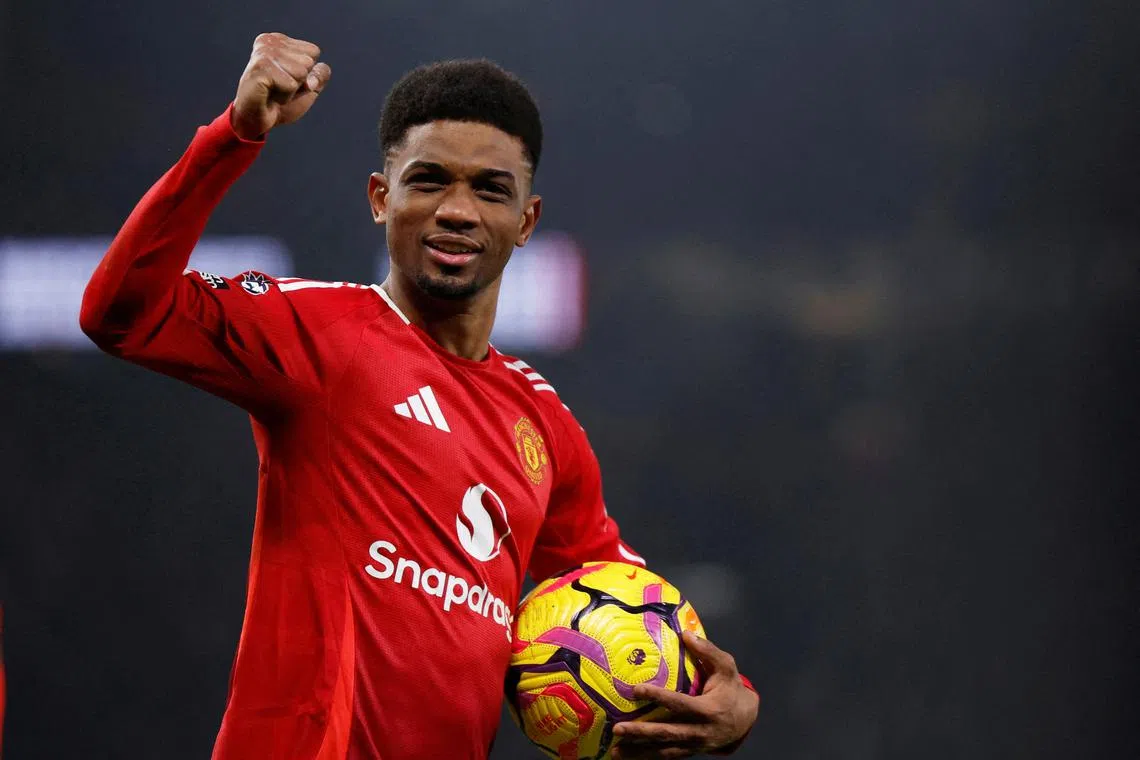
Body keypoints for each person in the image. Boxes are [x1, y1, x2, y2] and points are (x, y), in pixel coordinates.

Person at [80, 32, 759, 760]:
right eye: (430, 180)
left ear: (525, 222)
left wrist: (731, 697)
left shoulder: (544, 424)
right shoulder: (322, 333)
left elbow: (625, 597)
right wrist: (234, 137)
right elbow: (119, 311)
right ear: (382, 199)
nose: (457, 211)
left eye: (490, 189)